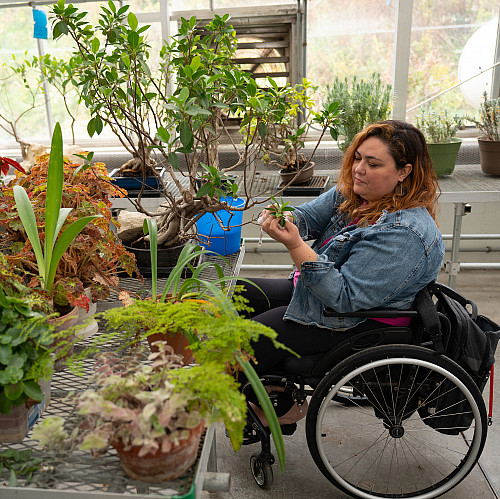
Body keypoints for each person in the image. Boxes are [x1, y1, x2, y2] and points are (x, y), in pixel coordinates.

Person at [238, 120, 445, 430]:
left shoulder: (407, 235)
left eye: (373, 163)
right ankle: (270, 393)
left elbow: (342, 297)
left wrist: (294, 243)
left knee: (242, 341)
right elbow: (310, 215)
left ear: (404, 171)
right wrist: (285, 217)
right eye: (358, 157)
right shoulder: (356, 193)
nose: (359, 169)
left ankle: (267, 409)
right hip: (324, 297)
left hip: (358, 320)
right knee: (236, 293)